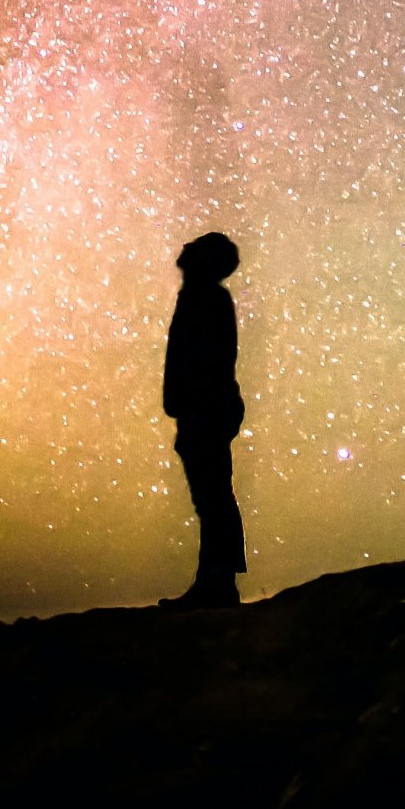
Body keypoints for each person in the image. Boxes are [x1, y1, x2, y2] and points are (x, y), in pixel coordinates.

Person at [161, 231, 247, 609]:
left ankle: (218, 583)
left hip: (206, 410)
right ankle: (215, 581)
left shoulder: (205, 299)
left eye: (194, 247)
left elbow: (207, 362)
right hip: (204, 409)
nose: (184, 248)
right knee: (211, 496)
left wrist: (194, 408)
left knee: (212, 497)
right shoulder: (203, 298)